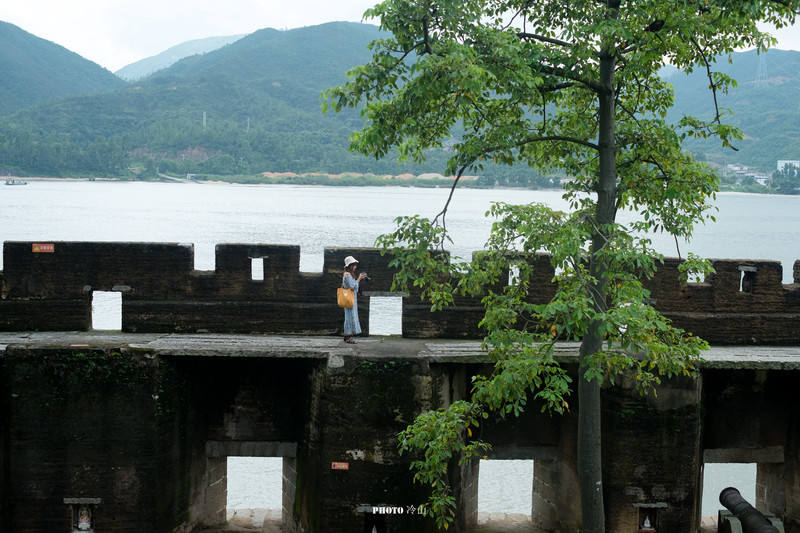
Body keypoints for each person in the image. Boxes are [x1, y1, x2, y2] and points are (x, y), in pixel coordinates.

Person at [342, 255, 366, 343]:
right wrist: (359, 279)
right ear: (350, 266)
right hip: (350, 299)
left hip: (351, 299)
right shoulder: (347, 275)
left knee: (350, 316)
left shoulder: (348, 275)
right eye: (354, 265)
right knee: (349, 317)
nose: (355, 267)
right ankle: (347, 337)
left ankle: (347, 336)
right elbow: (352, 286)